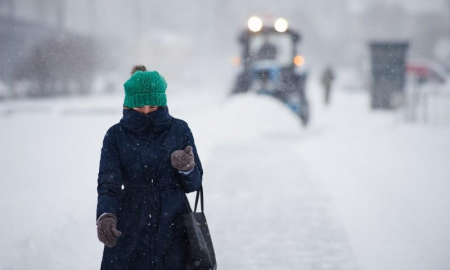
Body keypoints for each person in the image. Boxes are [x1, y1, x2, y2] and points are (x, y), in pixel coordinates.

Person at [96, 65, 203, 269]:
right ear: (128, 105)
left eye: (153, 107)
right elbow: (108, 184)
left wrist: (187, 168)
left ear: (161, 103)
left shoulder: (180, 129)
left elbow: (194, 184)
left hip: (174, 224)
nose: (146, 112)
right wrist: (105, 215)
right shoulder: (115, 136)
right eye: (139, 107)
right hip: (130, 224)